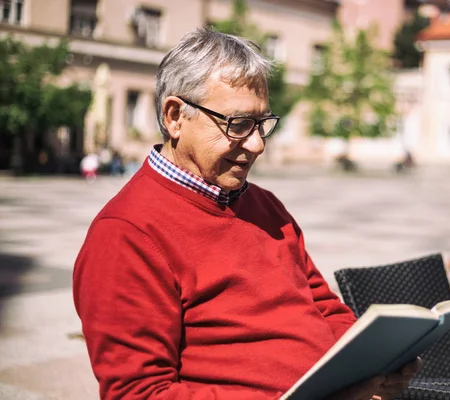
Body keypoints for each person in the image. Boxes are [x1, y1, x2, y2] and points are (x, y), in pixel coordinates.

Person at [73, 28, 421, 400]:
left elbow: (323, 307)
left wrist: (376, 360)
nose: (257, 145)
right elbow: (140, 394)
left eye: (262, 124)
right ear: (175, 117)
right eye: (237, 124)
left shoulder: (265, 205)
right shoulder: (127, 234)